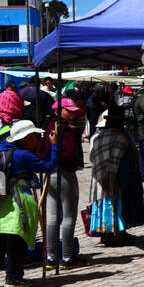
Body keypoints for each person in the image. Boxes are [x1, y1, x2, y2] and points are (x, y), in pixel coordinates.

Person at [0, 118, 60, 287]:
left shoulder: (0, 149)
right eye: (33, 137)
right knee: (17, 240)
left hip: (0, 203)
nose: (36, 140)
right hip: (17, 202)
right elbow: (48, 166)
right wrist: (54, 146)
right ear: (23, 138)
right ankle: (13, 278)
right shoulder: (22, 155)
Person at [87, 108, 143, 246]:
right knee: (116, 207)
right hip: (116, 178)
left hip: (99, 177)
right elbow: (124, 162)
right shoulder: (121, 138)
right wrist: (123, 181)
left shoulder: (98, 136)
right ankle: (118, 235)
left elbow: (92, 157)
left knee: (104, 205)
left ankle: (107, 235)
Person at [44, 98, 85, 270]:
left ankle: (51, 257)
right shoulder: (63, 129)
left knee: (53, 216)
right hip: (64, 173)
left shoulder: (50, 127)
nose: (73, 114)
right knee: (68, 216)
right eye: (69, 111)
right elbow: (68, 155)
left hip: (51, 173)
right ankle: (67, 257)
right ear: (57, 111)